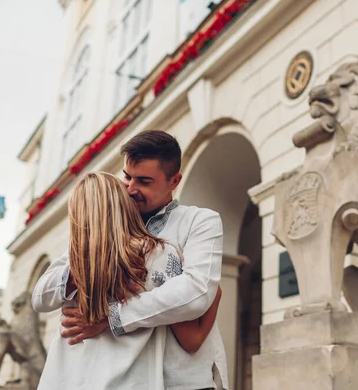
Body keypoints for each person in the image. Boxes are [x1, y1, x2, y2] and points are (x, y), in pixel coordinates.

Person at [35, 130, 228, 390]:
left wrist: (111, 317)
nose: (131, 188)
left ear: (174, 181)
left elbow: (197, 292)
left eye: (144, 181)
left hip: (183, 380)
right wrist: (89, 263)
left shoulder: (200, 221)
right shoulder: (99, 227)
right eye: (127, 176)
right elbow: (41, 296)